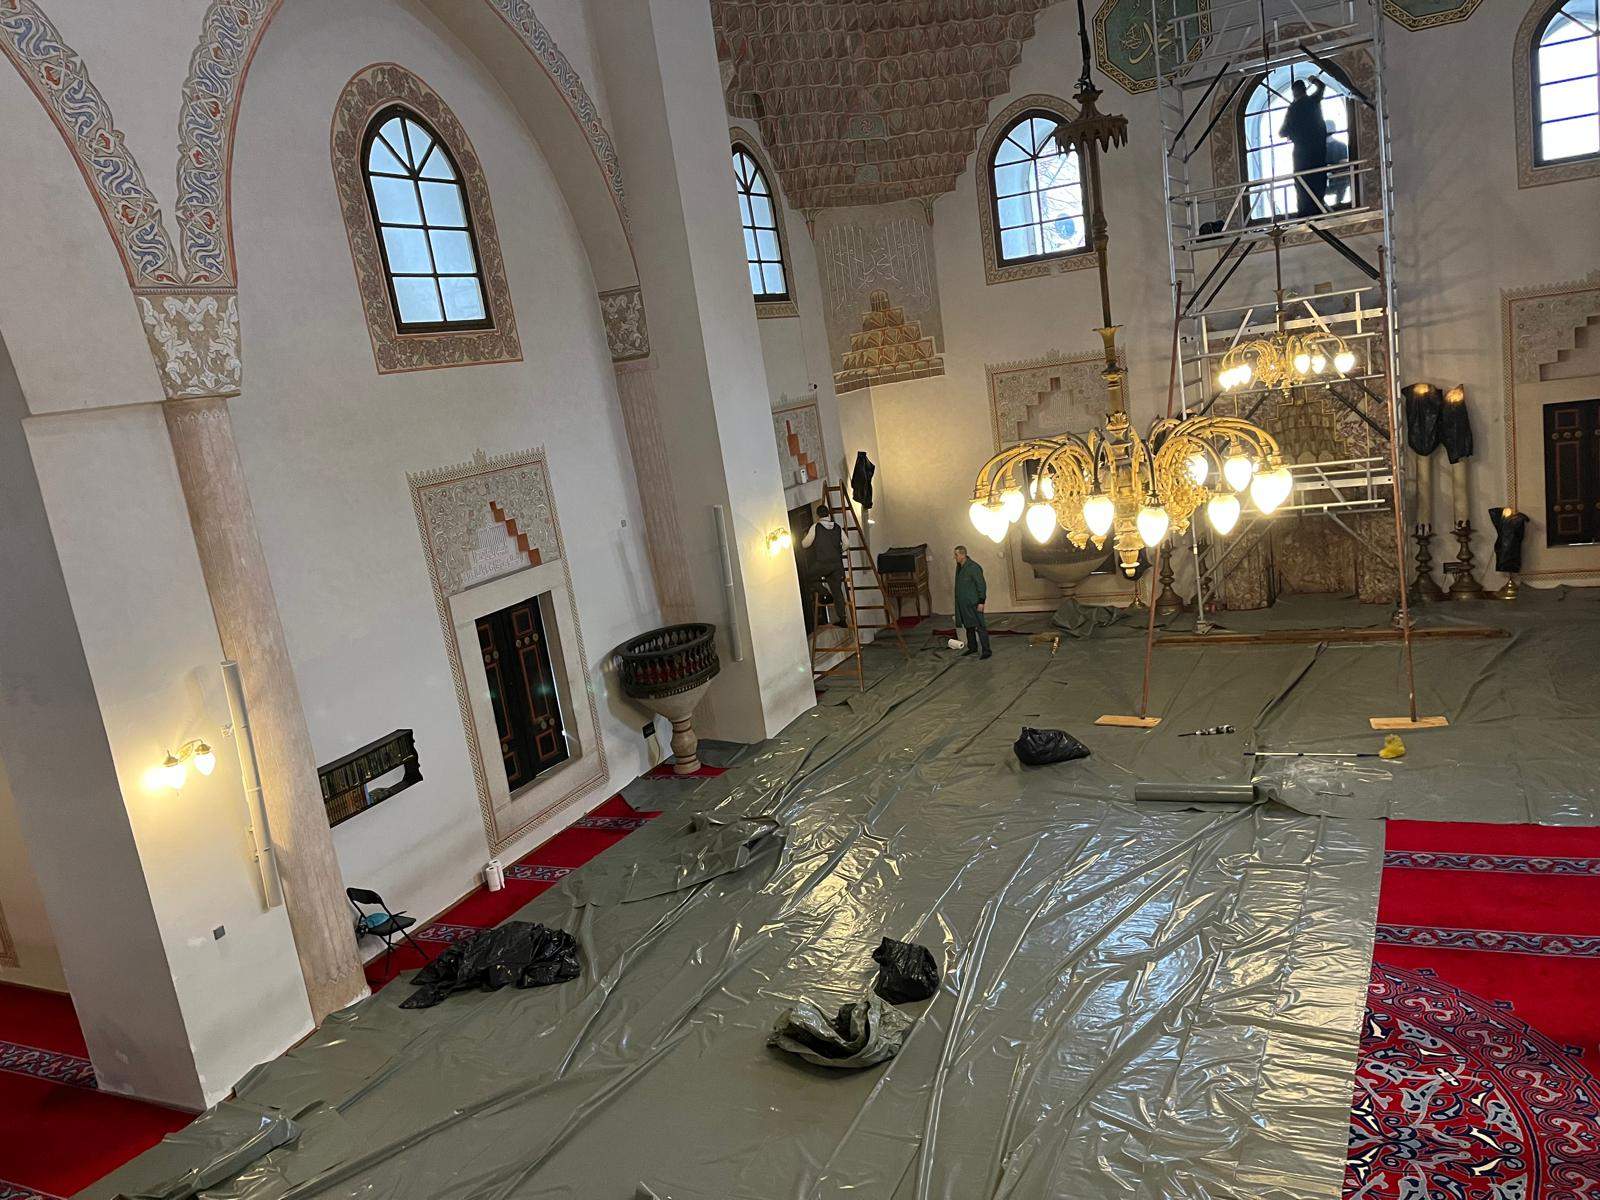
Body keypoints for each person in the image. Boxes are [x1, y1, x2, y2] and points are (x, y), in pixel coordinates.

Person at [1279, 76, 1329, 218]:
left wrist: (1292, 132)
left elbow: (1282, 132)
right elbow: (1322, 87)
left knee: (1302, 184)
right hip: (1318, 151)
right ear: (1304, 90)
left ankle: (1305, 212)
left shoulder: (1293, 109)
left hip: (1302, 154)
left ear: (1294, 92)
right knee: (1318, 179)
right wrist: (1314, 80)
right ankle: (1319, 209)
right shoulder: (1313, 101)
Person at [802, 502, 847, 627]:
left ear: (818, 516)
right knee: (837, 591)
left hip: (823, 564)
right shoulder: (837, 527)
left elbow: (805, 544)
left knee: (809, 577)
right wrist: (839, 551)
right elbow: (847, 543)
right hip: (837, 565)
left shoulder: (816, 527)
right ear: (828, 514)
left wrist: (805, 537)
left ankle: (825, 593)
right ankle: (842, 619)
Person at [953, 545, 991, 660]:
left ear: (963, 555)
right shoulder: (960, 567)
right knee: (968, 626)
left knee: (980, 626)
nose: (955, 557)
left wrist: (981, 602)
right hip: (964, 604)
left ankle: (986, 650)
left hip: (974, 603)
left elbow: (981, 585)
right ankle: (972, 647)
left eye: (956, 555)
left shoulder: (974, 567)